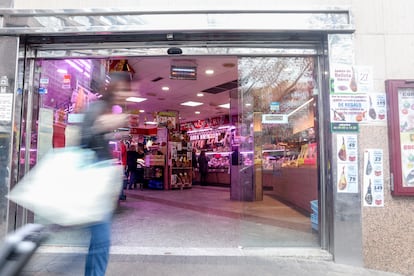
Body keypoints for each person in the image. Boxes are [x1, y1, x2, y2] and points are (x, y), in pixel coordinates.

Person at [79, 71, 131, 276]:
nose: (124, 94)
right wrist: (102, 126)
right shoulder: (97, 107)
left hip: (97, 180)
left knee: (99, 240)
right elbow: (84, 138)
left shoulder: (104, 108)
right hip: (93, 181)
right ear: (111, 88)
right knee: (101, 240)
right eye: (121, 89)